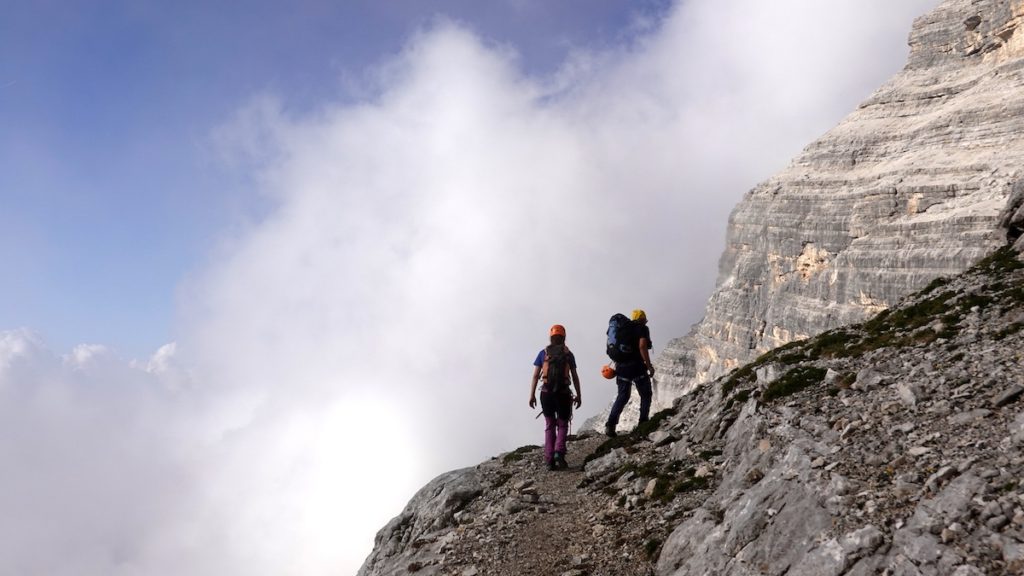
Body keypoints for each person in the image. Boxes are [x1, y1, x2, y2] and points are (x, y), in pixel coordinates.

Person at [529, 324, 582, 470]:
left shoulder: (543, 353)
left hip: (546, 394)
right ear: (564, 337)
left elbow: (535, 376)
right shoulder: (568, 354)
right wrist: (579, 395)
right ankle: (559, 452)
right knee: (563, 424)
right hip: (563, 393)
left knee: (549, 425)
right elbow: (575, 377)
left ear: (550, 337)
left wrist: (532, 395)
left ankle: (549, 459)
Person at [605, 309, 655, 437]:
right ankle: (643, 423)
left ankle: (610, 425)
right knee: (645, 394)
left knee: (622, 396)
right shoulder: (642, 328)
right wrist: (649, 366)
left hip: (621, 368)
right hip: (637, 366)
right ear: (643, 319)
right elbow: (642, 346)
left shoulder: (623, 328)